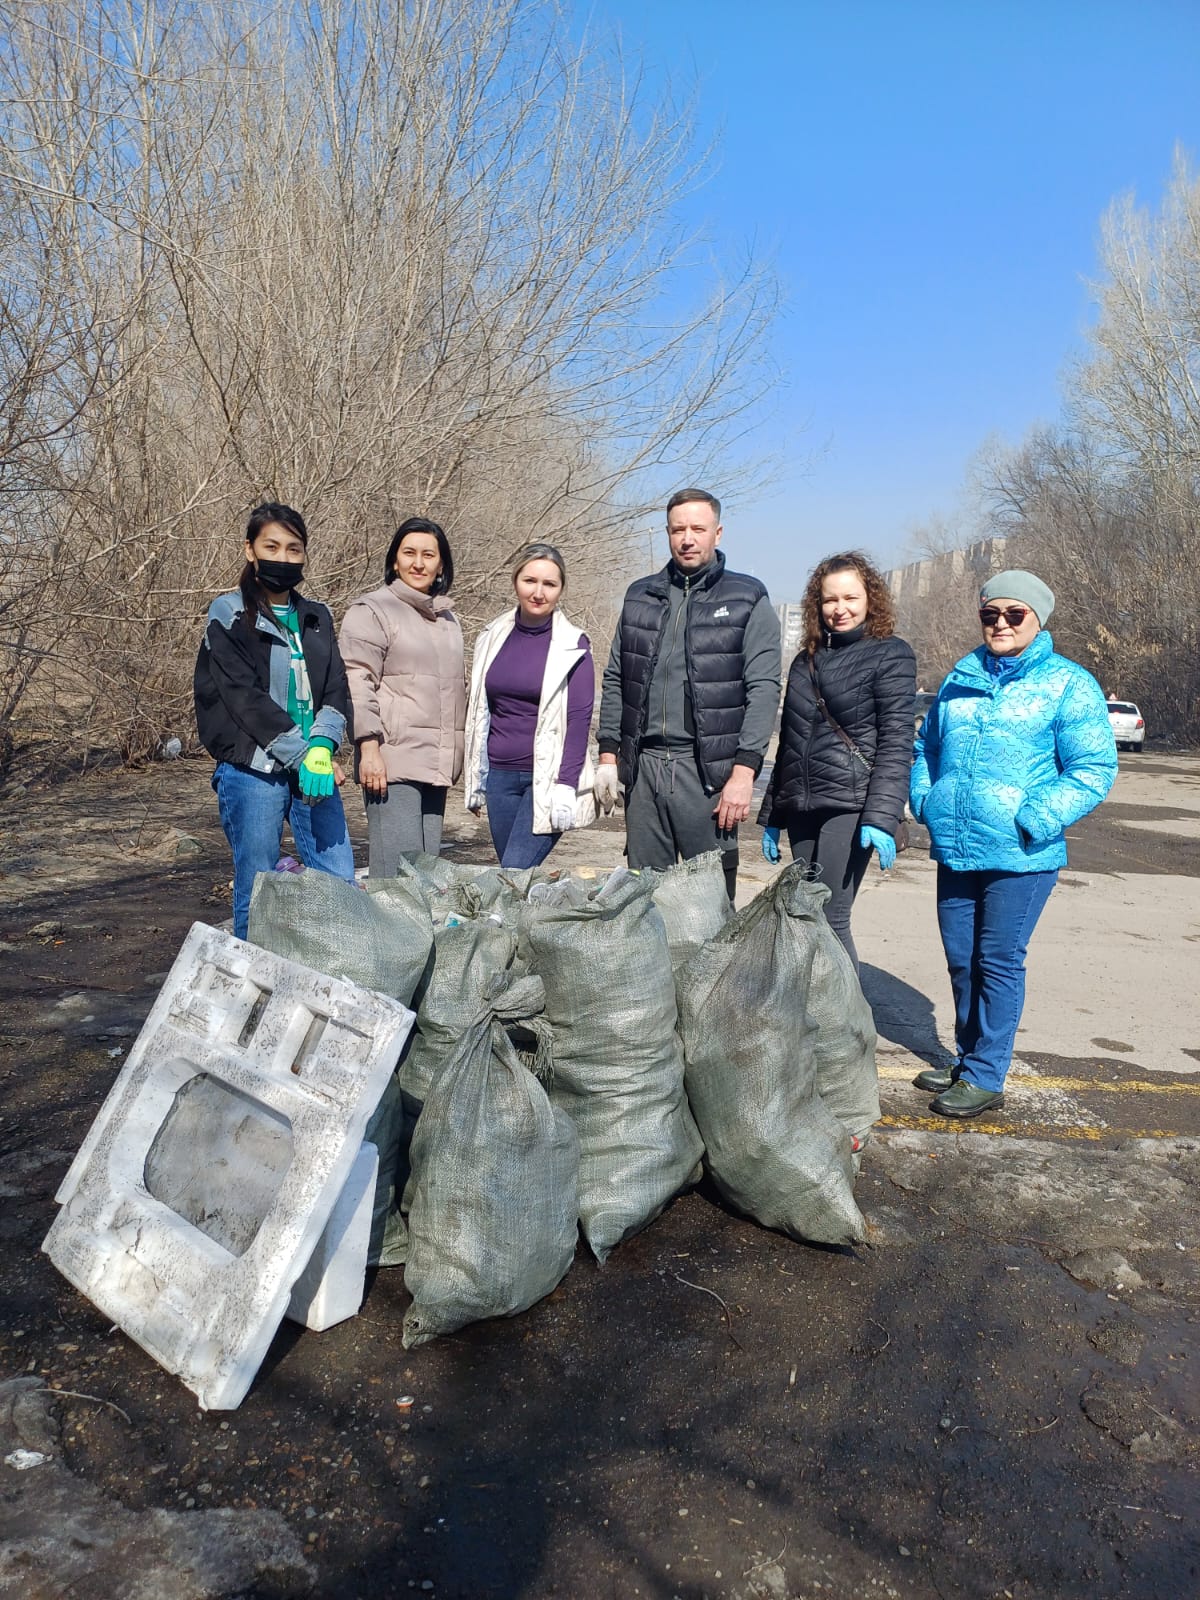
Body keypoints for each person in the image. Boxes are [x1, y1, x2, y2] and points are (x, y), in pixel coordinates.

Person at [909, 570, 1117, 1118]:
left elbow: (1093, 768)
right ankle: (967, 1058)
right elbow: (926, 748)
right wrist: (927, 800)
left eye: (1014, 614)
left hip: (1022, 854)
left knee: (998, 960)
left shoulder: (1068, 683)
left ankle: (986, 1074)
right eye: (990, 614)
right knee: (962, 961)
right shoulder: (960, 678)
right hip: (957, 845)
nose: (1000, 623)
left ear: (1037, 619)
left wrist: (1035, 817)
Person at [595, 488, 781, 903]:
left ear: (718, 532)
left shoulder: (747, 597)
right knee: (644, 900)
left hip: (707, 775)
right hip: (644, 769)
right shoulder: (640, 596)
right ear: (667, 533)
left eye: (698, 528)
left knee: (709, 904)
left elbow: (764, 689)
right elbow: (616, 677)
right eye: (678, 529)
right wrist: (608, 757)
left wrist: (744, 773)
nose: (687, 538)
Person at [194, 502, 356, 940]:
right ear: (250, 549)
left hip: (314, 769)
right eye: (272, 547)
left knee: (339, 881)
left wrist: (323, 746)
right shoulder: (228, 614)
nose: (283, 558)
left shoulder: (316, 617)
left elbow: (335, 688)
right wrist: (301, 754)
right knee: (258, 888)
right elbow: (243, 699)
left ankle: (334, 974)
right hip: (253, 771)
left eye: (293, 549)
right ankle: (251, 978)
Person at [757, 551, 916, 971]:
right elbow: (790, 742)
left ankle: (846, 1010)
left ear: (870, 599)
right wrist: (773, 814)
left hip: (851, 805)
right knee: (802, 914)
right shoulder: (804, 660)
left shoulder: (890, 654)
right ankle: (813, 1004)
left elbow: (897, 742)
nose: (839, 608)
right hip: (802, 806)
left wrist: (881, 817)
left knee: (830, 917)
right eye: (830, 599)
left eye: (850, 598)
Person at [338, 517, 465, 878]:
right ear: (394, 560)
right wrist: (369, 749)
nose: (418, 563)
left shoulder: (448, 620)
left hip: (435, 766)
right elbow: (356, 681)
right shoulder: (372, 610)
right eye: (409, 553)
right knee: (396, 878)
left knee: (425, 878)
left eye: (429, 555)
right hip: (392, 763)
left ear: (441, 565)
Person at [462, 542, 596, 869]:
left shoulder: (574, 644)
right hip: (499, 777)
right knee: (514, 881)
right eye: (530, 581)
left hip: (546, 780)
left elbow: (578, 721)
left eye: (549, 584)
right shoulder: (492, 636)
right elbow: (479, 711)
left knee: (513, 873)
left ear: (561, 589)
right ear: (515, 581)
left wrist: (566, 785)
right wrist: (476, 777)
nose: (538, 592)